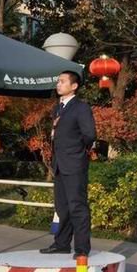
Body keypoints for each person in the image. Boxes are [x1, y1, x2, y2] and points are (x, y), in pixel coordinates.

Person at [40, 70, 96, 259]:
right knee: (62, 207)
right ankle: (62, 244)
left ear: (74, 86)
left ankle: (82, 249)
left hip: (74, 163)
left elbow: (90, 135)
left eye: (62, 81)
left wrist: (77, 151)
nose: (58, 84)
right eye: (58, 81)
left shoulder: (81, 107)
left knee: (77, 207)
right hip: (59, 164)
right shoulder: (58, 108)